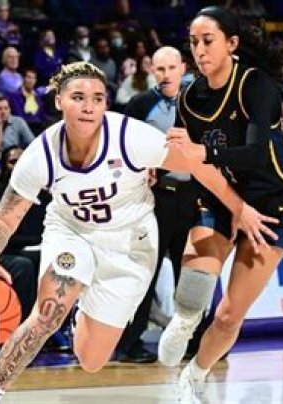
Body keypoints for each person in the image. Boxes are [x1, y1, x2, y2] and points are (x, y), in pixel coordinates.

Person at [0, 61, 274, 403]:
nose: (88, 107)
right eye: (78, 97)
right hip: (72, 232)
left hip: (130, 242)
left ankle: (82, 311)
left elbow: (197, 165)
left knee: (91, 360)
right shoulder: (41, 153)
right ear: (58, 101)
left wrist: (238, 207)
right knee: (47, 313)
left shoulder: (131, 137)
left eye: (97, 99)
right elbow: (6, 215)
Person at [155, 7, 283, 402]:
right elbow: (191, 164)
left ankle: (195, 376)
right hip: (222, 195)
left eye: (208, 41)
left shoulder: (257, 85)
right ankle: (185, 319)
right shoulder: (189, 98)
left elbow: (256, 154)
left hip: (271, 205)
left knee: (228, 315)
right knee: (194, 290)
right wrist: (234, 206)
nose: (199, 50)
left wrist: (201, 152)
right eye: (193, 42)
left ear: (231, 43)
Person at [117, 46, 193, 363]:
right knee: (145, 271)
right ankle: (129, 343)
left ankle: (191, 341)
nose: (166, 74)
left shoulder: (199, 102)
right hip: (155, 198)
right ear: (152, 71)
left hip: (191, 196)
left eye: (171, 68)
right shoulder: (140, 104)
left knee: (190, 273)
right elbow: (122, 148)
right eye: (160, 69)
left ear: (183, 68)